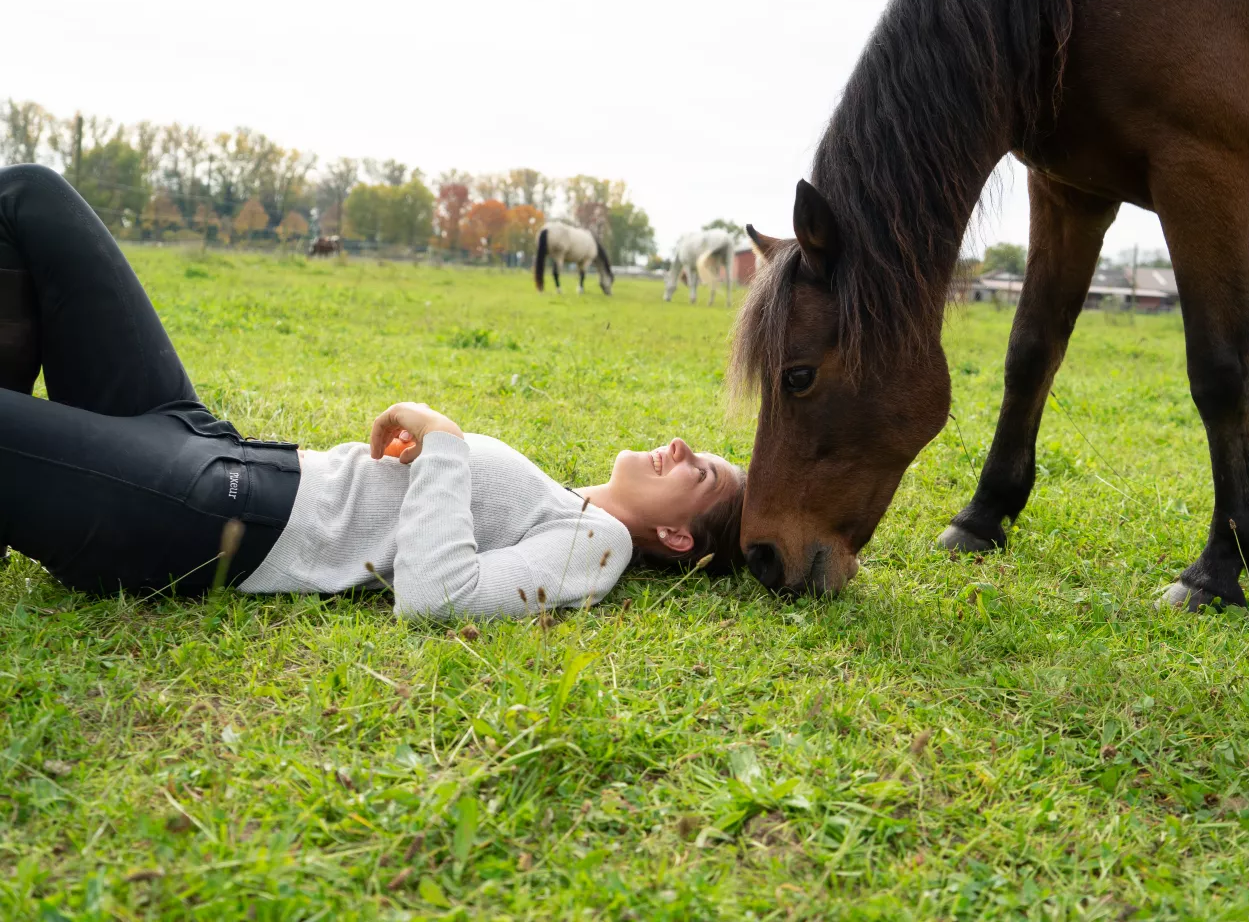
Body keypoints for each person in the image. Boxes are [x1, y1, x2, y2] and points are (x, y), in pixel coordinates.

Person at [0, 164, 744, 619]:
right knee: (29, 194)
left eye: (700, 471)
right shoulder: (567, 504)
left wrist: (443, 438)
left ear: (678, 539)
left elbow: (437, 598)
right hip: (208, 446)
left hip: (212, 514)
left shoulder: (600, 545)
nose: (681, 447)